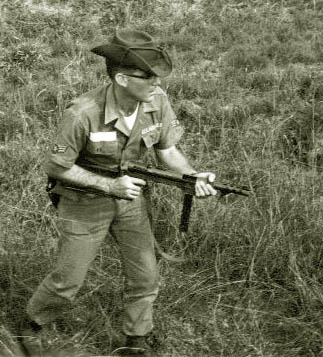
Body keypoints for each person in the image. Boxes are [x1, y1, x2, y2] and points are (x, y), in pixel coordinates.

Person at [20, 29, 217, 356]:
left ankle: (136, 338)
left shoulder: (157, 101)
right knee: (67, 280)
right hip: (83, 203)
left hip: (130, 200)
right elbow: (56, 166)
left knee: (145, 275)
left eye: (157, 76)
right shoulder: (82, 113)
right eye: (148, 76)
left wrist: (192, 175)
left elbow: (168, 150)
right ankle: (32, 324)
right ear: (123, 79)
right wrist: (109, 185)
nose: (156, 83)